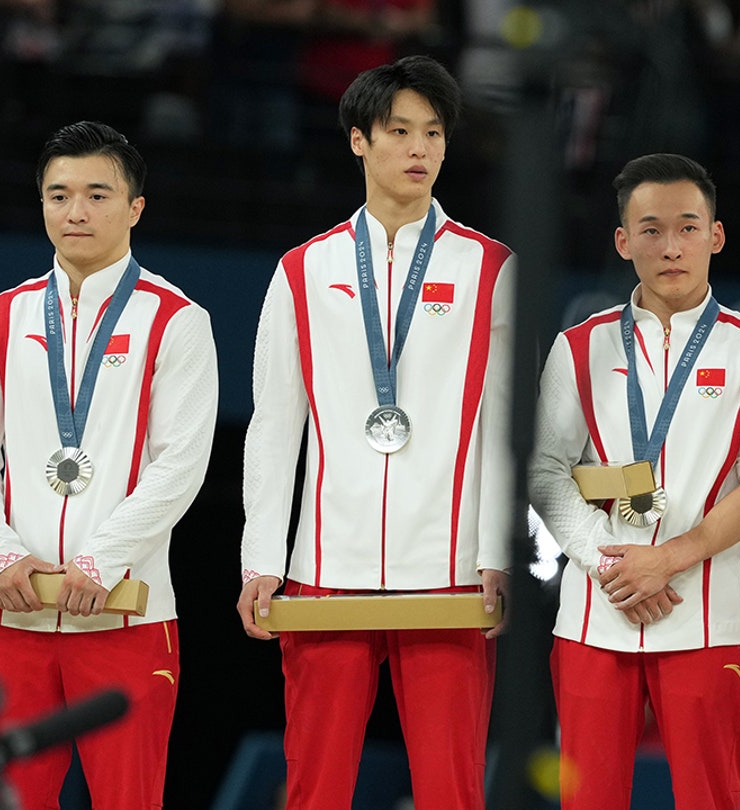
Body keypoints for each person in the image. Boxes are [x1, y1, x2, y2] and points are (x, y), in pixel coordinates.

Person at [237, 55, 515, 809]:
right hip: (328, 564)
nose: (420, 148)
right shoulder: (303, 269)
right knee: (315, 788)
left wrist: (495, 552)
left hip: (449, 569)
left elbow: (502, 430)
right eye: (400, 131)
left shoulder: (491, 269)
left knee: (452, 790)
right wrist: (262, 556)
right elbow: (274, 425)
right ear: (359, 140)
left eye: (433, 132)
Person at [0, 120, 218, 808]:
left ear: (135, 207)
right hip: (16, 617)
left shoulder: (176, 320)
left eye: (97, 194)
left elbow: (179, 464)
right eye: (58, 195)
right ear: (40, 205)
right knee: (3, 799)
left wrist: (103, 560)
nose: (76, 212)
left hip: (124, 620)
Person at [529, 153, 740, 809]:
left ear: (716, 235)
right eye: (651, 229)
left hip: (706, 623)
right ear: (623, 240)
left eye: (688, 227)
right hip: (593, 620)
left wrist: (665, 560)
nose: (671, 247)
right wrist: (612, 565)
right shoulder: (578, 347)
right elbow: (545, 471)